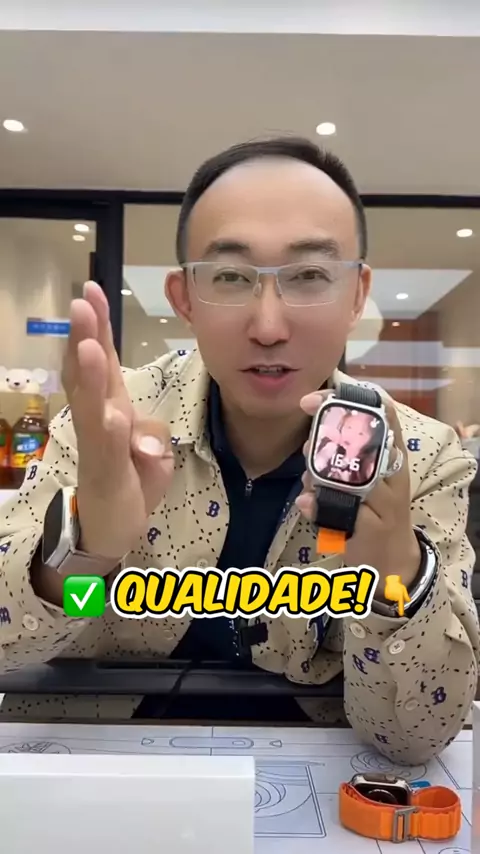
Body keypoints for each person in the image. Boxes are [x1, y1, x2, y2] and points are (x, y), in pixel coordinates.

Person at [0, 136, 478, 764]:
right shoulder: (111, 427)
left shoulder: (420, 457)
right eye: (230, 277)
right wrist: (83, 554)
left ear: (357, 295)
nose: (269, 327)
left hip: (317, 769)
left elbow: (414, 738)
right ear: (183, 299)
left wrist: (396, 575)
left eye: (310, 275)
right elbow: (10, 651)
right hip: (99, 764)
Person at [313, 407, 383, 484]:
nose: (350, 435)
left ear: (372, 440)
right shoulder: (332, 448)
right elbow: (316, 466)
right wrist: (324, 431)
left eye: (361, 434)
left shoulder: (368, 465)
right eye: (349, 427)